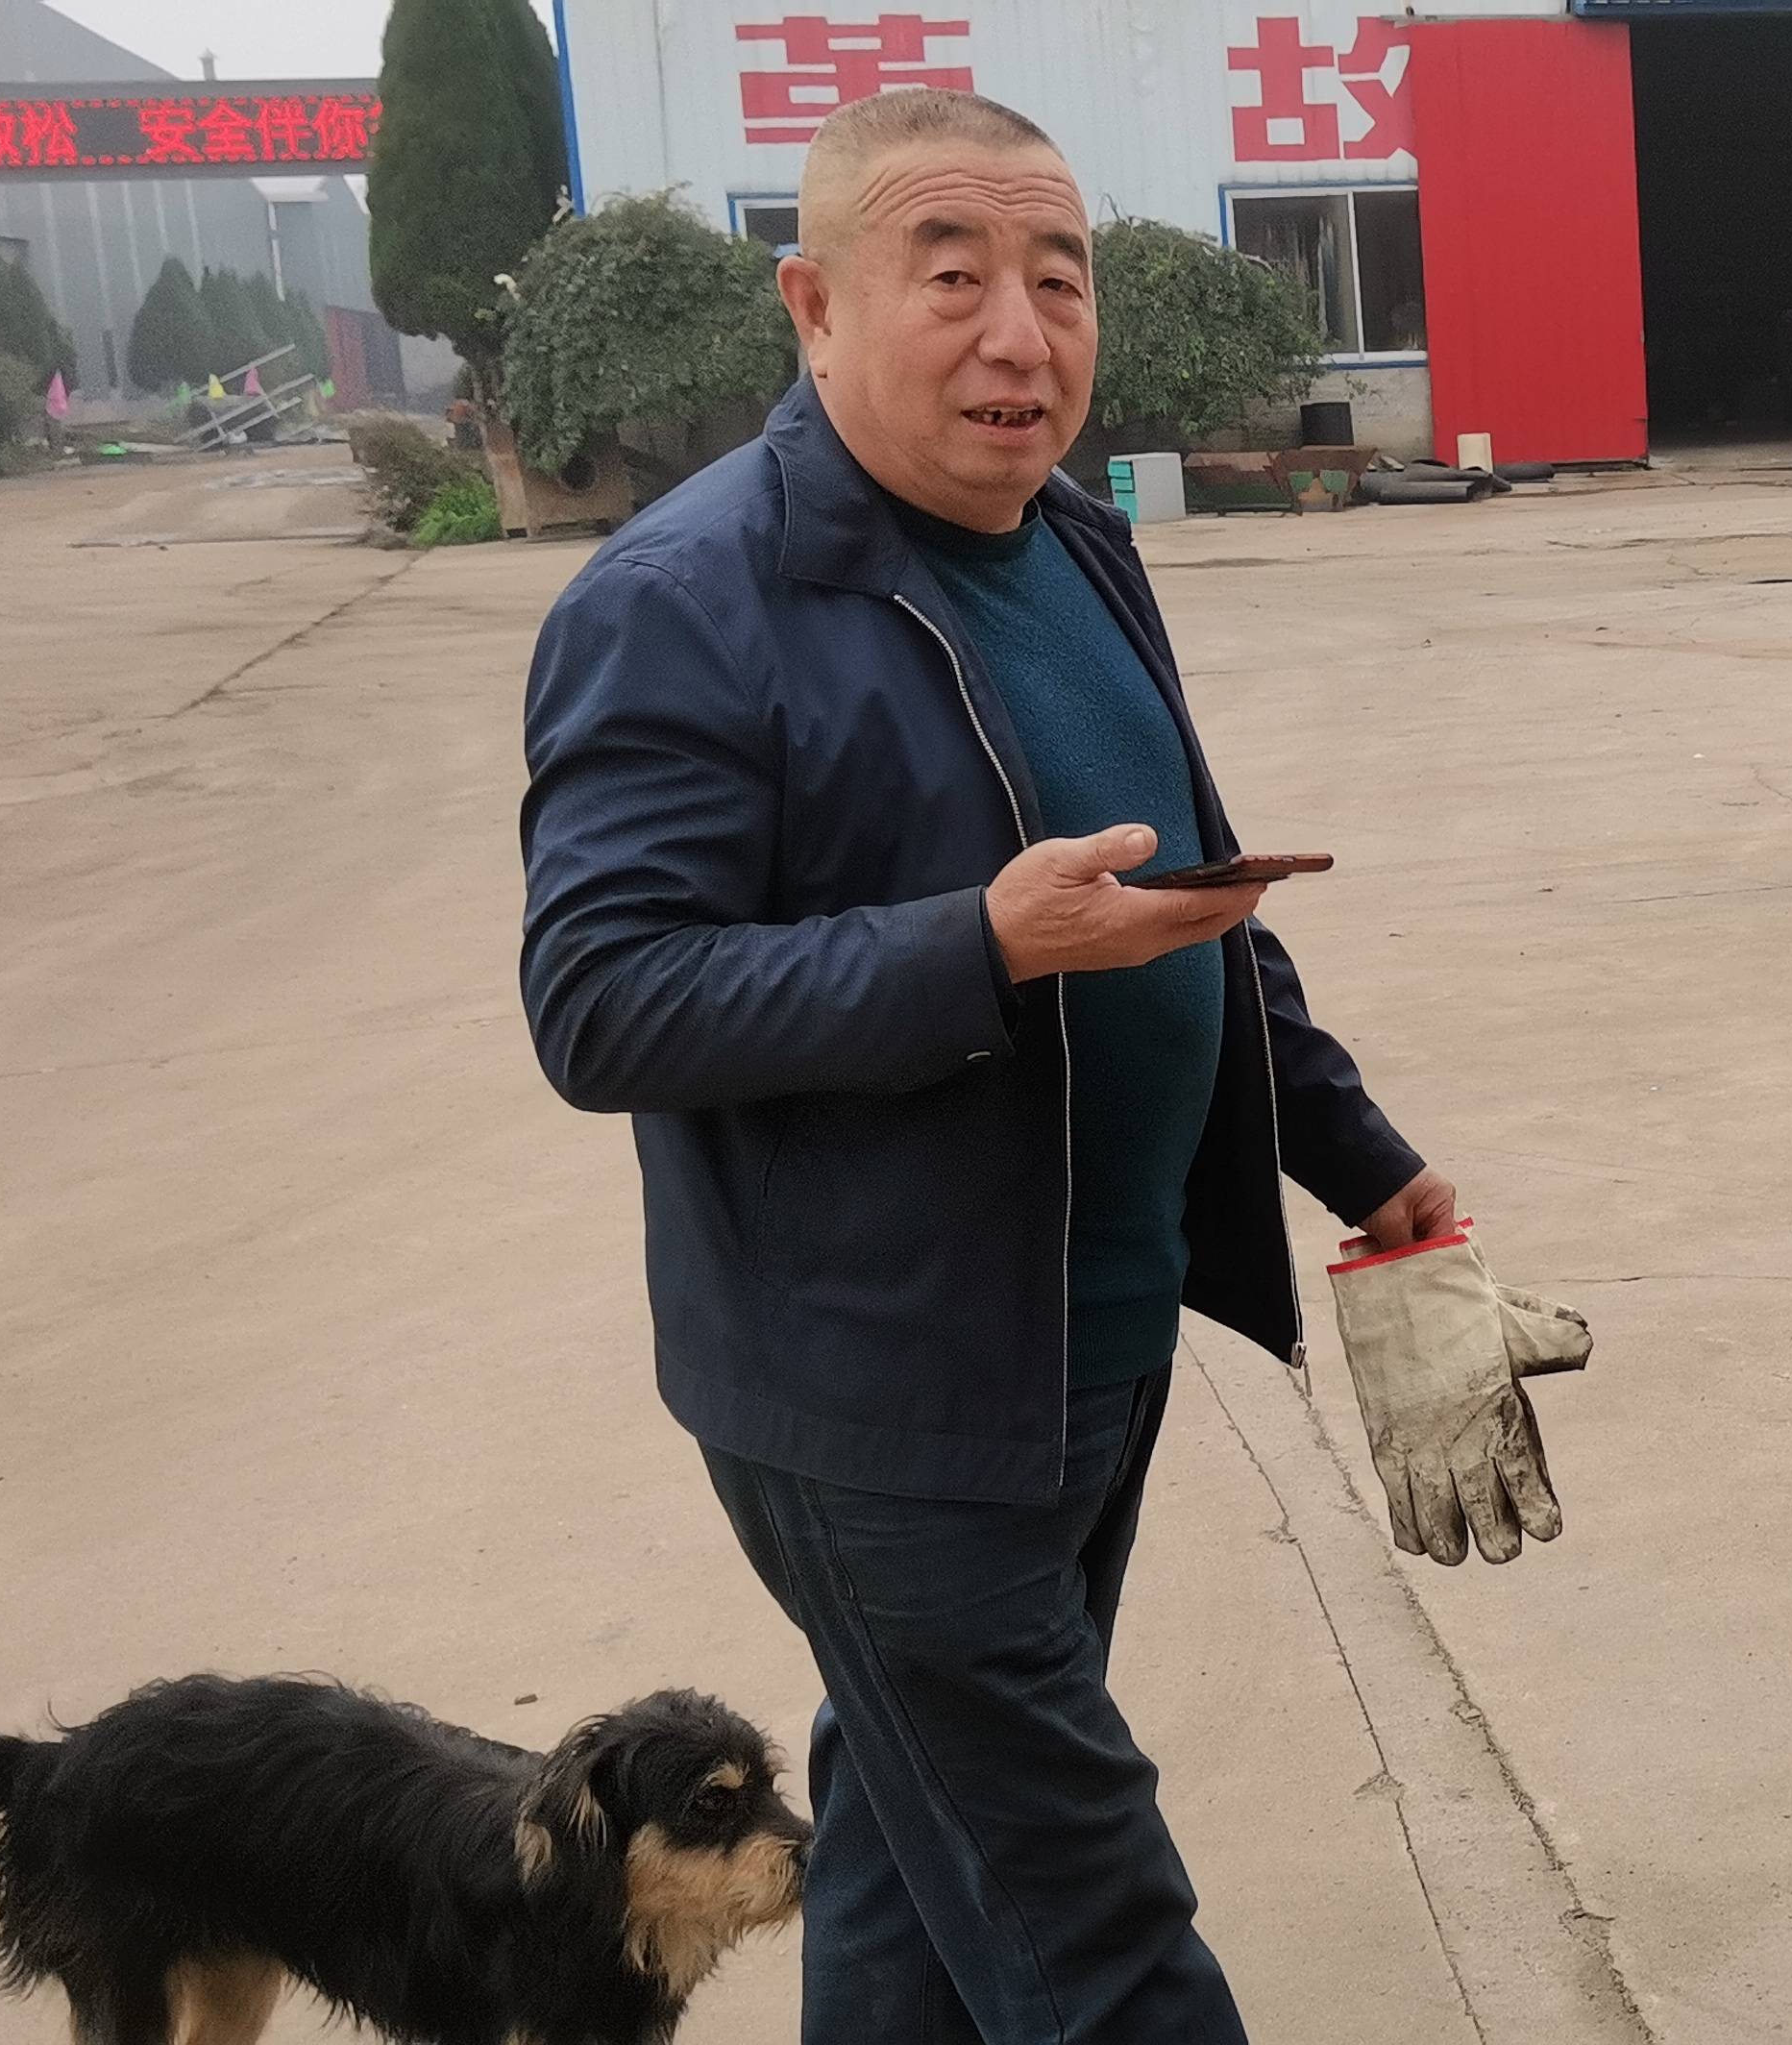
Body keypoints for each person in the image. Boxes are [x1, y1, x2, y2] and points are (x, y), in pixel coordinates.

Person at [515, 86, 1453, 2044]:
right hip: (879, 1398)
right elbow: (602, 998)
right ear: (814, 305)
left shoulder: (1079, 543)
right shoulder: (684, 601)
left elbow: (1195, 893)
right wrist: (981, 945)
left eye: (1058, 278)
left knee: (917, 1853)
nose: (1021, 335)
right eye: (952, 276)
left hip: (1088, 1344)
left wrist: (1359, 1154)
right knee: (1093, 1925)